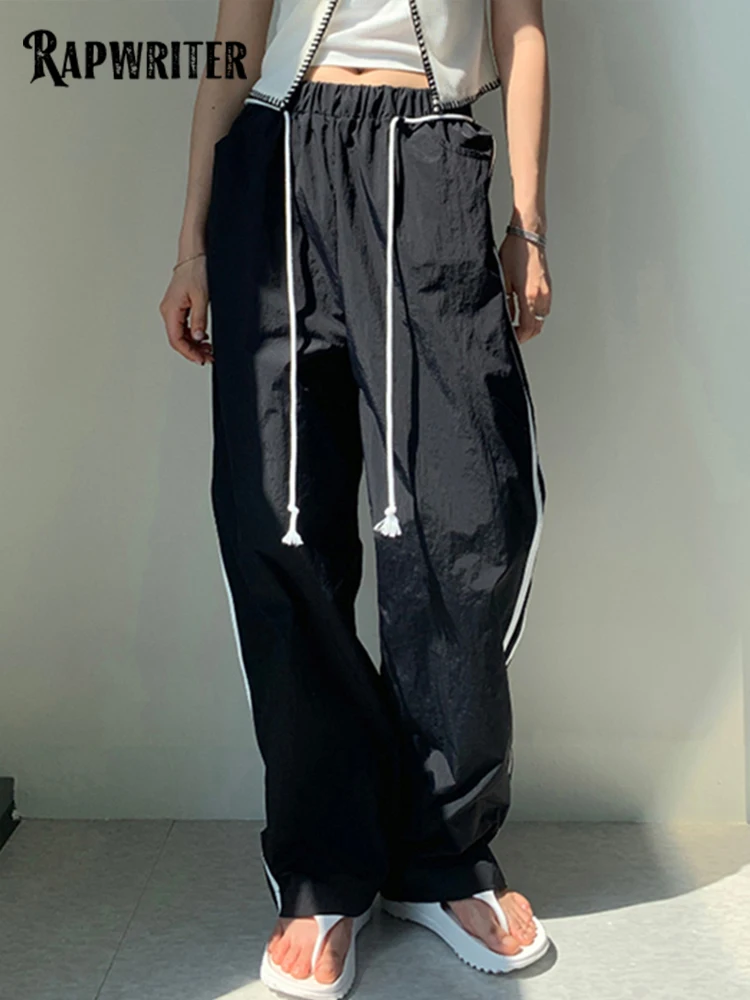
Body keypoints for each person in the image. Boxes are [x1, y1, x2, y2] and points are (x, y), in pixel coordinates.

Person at [159, 0, 552, 996]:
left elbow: (522, 30)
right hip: (275, 160)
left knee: (464, 522)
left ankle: (444, 853)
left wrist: (528, 223)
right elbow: (236, 40)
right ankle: (323, 865)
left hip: (428, 155)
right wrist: (191, 243)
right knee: (278, 518)